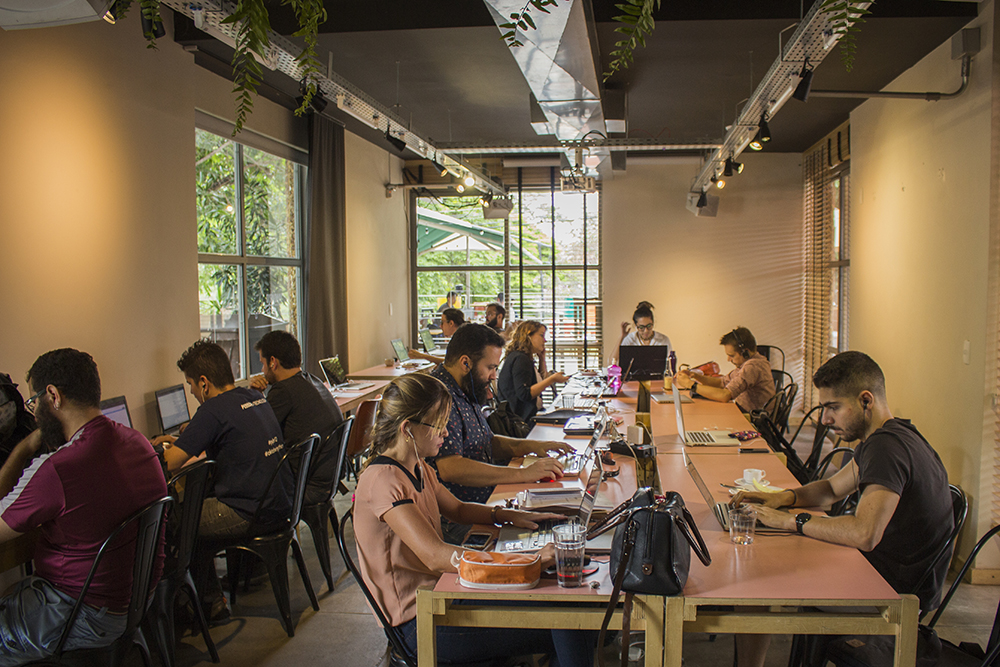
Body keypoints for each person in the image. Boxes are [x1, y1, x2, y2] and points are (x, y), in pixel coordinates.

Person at [353, 373, 595, 666]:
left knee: (567, 610)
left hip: (442, 595)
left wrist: (507, 515)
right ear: (407, 429)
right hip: (419, 623)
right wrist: (524, 561)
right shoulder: (383, 480)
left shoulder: (417, 466)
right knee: (571, 622)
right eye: (438, 425)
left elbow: (457, 509)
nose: (446, 433)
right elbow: (436, 556)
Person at [730, 351, 954, 667]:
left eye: (833, 407)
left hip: (890, 590)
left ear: (866, 400)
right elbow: (832, 490)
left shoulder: (885, 449)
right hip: (887, 573)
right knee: (771, 555)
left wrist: (791, 521)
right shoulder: (892, 436)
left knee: (757, 577)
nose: (825, 419)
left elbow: (864, 534)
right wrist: (783, 497)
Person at [0, 349, 167, 664]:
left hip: (82, 614)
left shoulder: (58, 468)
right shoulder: (139, 442)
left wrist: (23, 448)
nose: (33, 413)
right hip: (136, 601)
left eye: (33, 402)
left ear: (53, 396)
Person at [153, 340, 291, 623]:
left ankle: (202, 606)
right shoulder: (253, 397)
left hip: (250, 511)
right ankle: (209, 598)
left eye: (191, 385)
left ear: (204, 382)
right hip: (280, 501)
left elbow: (169, 463)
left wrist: (149, 447)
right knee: (196, 511)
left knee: (179, 521)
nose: (192, 393)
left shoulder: (213, 410)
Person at [429, 324, 570, 544]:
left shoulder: (464, 387)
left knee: (556, 522)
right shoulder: (439, 397)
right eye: (490, 367)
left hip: (486, 504)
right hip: (458, 519)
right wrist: (521, 474)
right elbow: (450, 467)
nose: (494, 376)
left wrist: (533, 445)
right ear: (466, 363)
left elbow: (487, 442)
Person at [249, 330, 344, 505]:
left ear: (273, 362)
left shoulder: (283, 391)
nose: (262, 370)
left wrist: (255, 395)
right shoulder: (312, 380)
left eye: (262, 363)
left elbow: (256, 432)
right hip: (330, 478)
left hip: (307, 485)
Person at [674, 326, 774, 413]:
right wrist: (695, 376)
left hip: (753, 420)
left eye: (732, 356)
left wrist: (690, 384)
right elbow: (721, 382)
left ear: (745, 352)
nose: (728, 359)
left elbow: (725, 395)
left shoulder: (753, 366)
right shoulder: (748, 362)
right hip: (744, 412)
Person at [497, 320, 569, 422]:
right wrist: (552, 379)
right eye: (541, 335)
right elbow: (525, 394)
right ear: (528, 336)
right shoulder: (521, 359)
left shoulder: (522, 356)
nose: (545, 340)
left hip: (528, 415)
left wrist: (542, 359)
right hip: (522, 420)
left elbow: (538, 382)